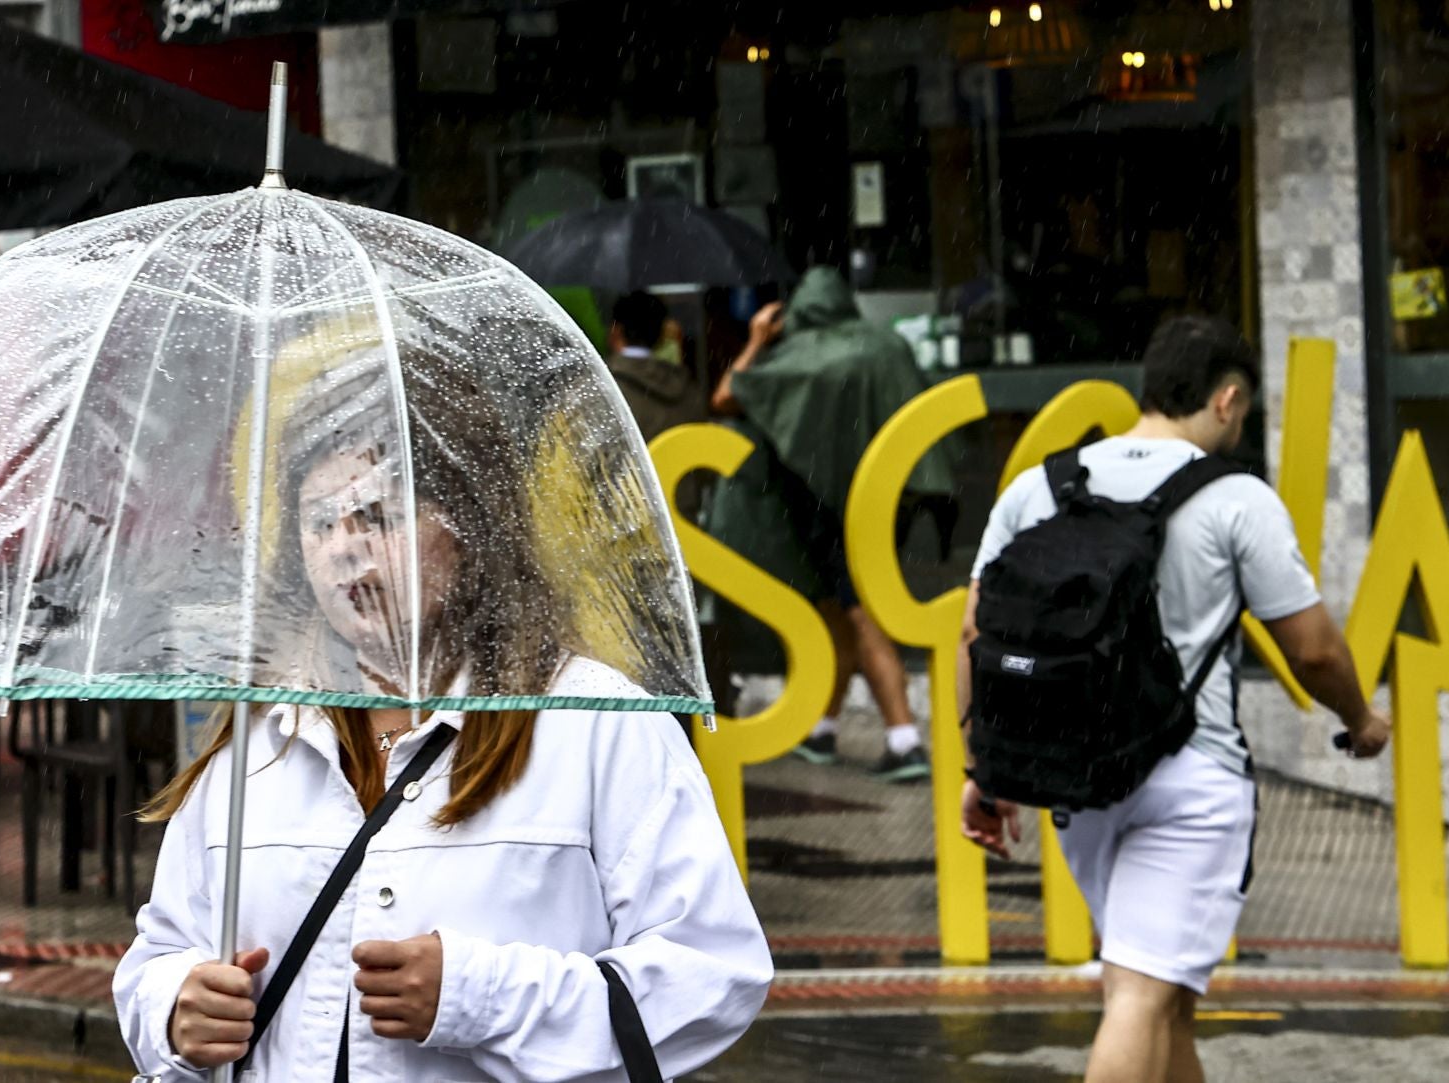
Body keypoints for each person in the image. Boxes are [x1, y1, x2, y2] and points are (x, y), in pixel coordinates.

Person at [113, 347, 771, 1081]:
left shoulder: (598, 722)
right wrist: (174, 1006)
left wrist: (478, 995)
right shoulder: (259, 734)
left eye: (378, 515)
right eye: (319, 522)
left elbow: (713, 976)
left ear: (469, 523)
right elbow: (162, 952)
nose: (345, 551)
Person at [956, 315, 1391, 1083]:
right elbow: (1314, 649)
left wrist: (984, 767)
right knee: (1137, 994)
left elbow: (977, 637)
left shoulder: (1041, 486)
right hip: (1191, 781)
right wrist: (1359, 720)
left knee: (1166, 996)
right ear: (1226, 400)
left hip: (1078, 780)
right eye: (1244, 410)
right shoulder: (1235, 498)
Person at [707, 267, 953, 782]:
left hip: (822, 507)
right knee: (838, 614)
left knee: (859, 615)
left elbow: (726, 397)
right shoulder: (887, 348)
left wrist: (755, 339)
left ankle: (904, 738)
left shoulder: (798, 357)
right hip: (883, 502)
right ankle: (822, 728)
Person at [606, 290, 708, 518]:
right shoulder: (687, 387)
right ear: (662, 335)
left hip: (625, 521)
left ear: (616, 331)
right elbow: (703, 469)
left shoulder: (601, 387)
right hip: (682, 519)